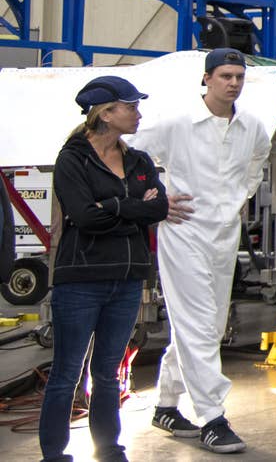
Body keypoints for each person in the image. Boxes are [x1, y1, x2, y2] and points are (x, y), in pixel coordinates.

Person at [128, 48, 272, 454]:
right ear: (206, 79)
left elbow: (257, 162)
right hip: (184, 233)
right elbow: (126, 152)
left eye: (239, 77)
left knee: (206, 324)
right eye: (225, 75)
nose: (233, 83)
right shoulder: (176, 123)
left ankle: (166, 405)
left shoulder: (252, 127)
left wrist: (238, 199)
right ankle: (212, 417)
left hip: (224, 235)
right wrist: (154, 198)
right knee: (196, 325)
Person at [40, 76, 191, 462]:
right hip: (82, 280)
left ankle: (108, 449)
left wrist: (113, 206)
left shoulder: (137, 160)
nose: (138, 114)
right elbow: (84, 217)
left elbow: (157, 209)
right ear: (105, 114)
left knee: (108, 373)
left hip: (126, 279)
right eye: (130, 107)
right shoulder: (73, 159)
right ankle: (54, 455)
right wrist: (133, 205)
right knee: (66, 373)